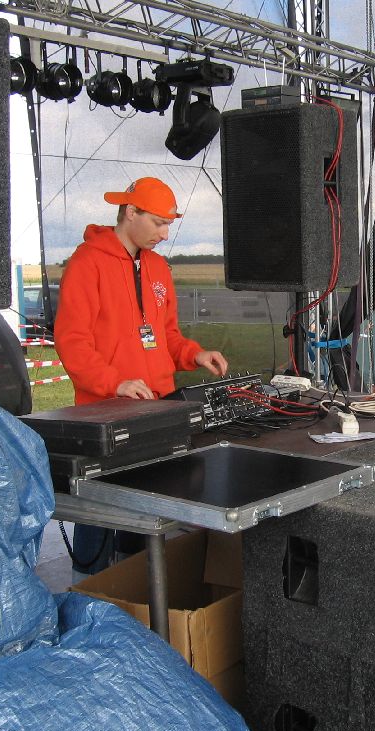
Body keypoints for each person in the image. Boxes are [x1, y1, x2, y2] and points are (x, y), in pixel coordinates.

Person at [55, 176, 228, 573]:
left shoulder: (158, 267)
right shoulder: (87, 264)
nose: (165, 234)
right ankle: (92, 589)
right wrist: (114, 383)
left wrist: (195, 354)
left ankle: (135, 584)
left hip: (156, 408)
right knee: (98, 515)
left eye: (169, 224)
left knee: (144, 514)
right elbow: (72, 342)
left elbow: (166, 336)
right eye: (159, 223)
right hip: (104, 413)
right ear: (130, 212)